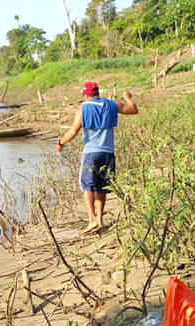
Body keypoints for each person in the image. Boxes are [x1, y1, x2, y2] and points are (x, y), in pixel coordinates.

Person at [56, 81, 138, 234]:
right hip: (108, 153)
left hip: (91, 153)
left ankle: (92, 219)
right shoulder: (112, 104)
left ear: (85, 94)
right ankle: (100, 221)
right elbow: (133, 109)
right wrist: (127, 97)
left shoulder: (83, 108)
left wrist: (60, 143)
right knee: (102, 187)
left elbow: (73, 132)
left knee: (88, 186)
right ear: (98, 92)